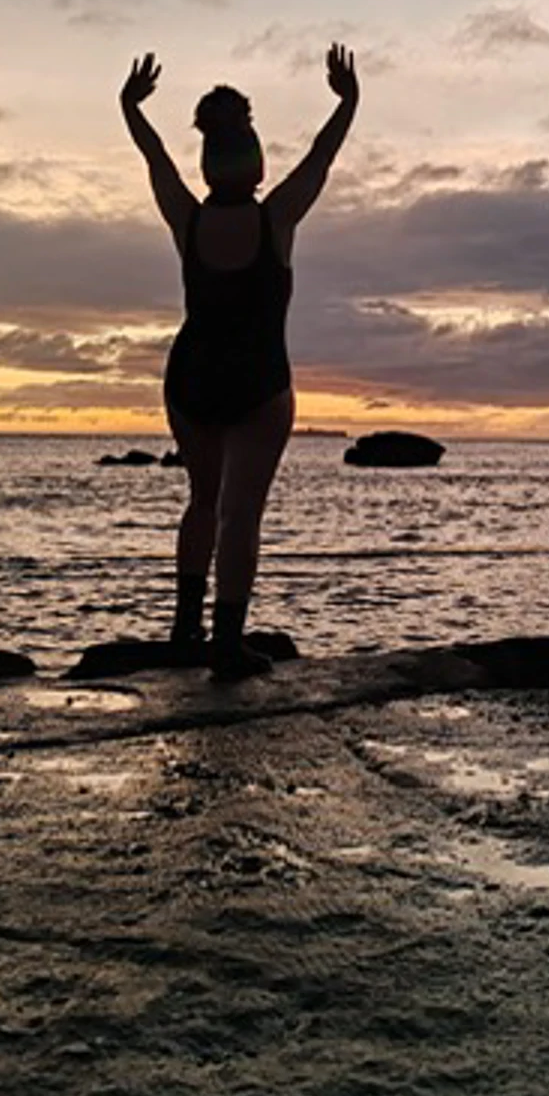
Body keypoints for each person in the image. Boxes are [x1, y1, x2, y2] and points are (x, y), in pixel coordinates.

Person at [120, 43, 358, 679]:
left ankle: (183, 631)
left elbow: (155, 158)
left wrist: (130, 107)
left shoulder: (187, 219)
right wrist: (348, 100)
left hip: (192, 378)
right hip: (257, 382)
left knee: (203, 500)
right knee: (239, 513)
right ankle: (225, 643)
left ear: (207, 162)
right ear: (253, 162)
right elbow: (321, 157)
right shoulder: (276, 217)